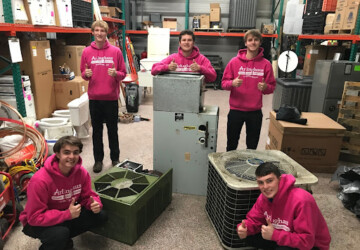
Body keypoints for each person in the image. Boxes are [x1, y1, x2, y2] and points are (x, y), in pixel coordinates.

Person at [20, 136, 107, 250]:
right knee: (59, 234)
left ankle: (63, 241)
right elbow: (34, 217)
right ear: (57, 154)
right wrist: (66, 215)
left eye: (75, 152)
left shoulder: (82, 173)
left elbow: (87, 196)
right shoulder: (40, 180)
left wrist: (95, 203)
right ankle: (57, 242)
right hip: (35, 222)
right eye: (67, 152)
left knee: (101, 216)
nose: (71, 157)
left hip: (66, 211)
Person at [237, 162, 331, 250]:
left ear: (279, 179)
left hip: (312, 246)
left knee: (283, 247)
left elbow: (307, 241)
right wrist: (245, 229)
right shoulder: (263, 198)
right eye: (261, 182)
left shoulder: (302, 200)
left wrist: (275, 235)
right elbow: (254, 220)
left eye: (269, 181)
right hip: (283, 235)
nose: (265, 187)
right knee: (249, 236)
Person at [80, 20, 127, 173]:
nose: (100, 33)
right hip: (94, 99)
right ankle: (98, 160)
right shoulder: (87, 52)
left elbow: (123, 74)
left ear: (106, 33)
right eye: (97, 30)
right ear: (92, 32)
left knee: (113, 130)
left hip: (111, 98)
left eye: (103, 31)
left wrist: (116, 74)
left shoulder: (116, 52)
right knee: (97, 132)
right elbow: (83, 73)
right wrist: (85, 75)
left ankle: (115, 158)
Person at [222, 29, 276, 151]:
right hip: (236, 110)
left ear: (260, 42)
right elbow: (224, 84)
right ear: (245, 43)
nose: (253, 42)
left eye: (256, 40)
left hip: (255, 112)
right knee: (231, 144)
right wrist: (232, 83)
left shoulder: (266, 64)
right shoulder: (234, 62)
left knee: (252, 146)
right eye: (250, 40)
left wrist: (265, 87)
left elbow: (272, 87)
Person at [151, 30, 217, 83]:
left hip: (194, 96)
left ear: (193, 43)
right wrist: (167, 67)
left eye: (189, 40)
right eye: (184, 40)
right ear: (180, 43)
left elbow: (213, 77)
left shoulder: (202, 59)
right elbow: (153, 70)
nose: (186, 42)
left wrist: (200, 68)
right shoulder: (172, 58)